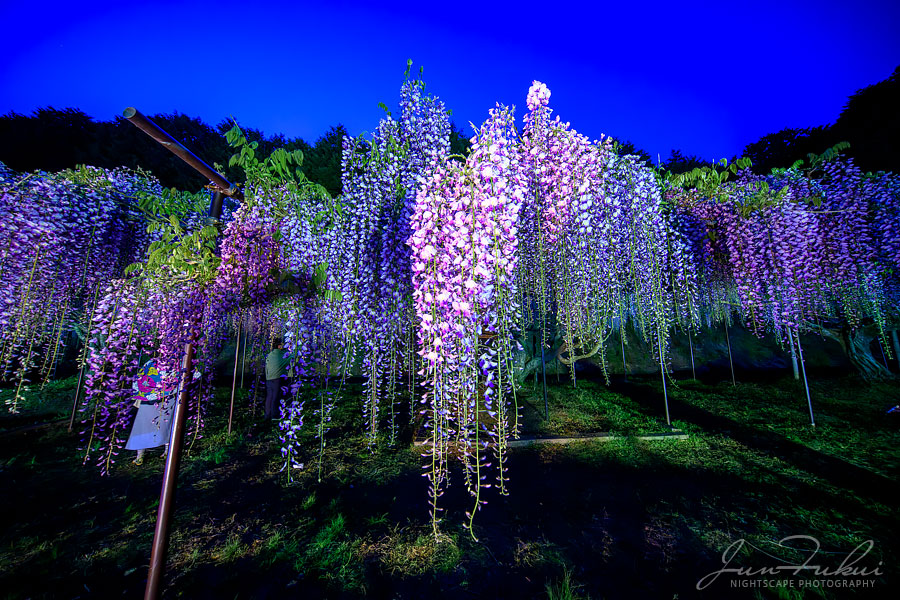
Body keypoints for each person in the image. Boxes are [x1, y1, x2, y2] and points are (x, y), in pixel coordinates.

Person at [125, 359, 175, 465]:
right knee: (143, 423)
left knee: (167, 421)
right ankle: (140, 454)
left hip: (168, 394)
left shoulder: (175, 361)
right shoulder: (150, 362)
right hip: (149, 396)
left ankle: (168, 450)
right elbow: (140, 379)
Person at [265, 339, 291, 420]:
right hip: (276, 378)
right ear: (279, 346)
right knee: (275, 397)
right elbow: (290, 358)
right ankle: (274, 415)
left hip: (268, 378)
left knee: (269, 396)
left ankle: (267, 415)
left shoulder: (270, 354)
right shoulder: (281, 354)